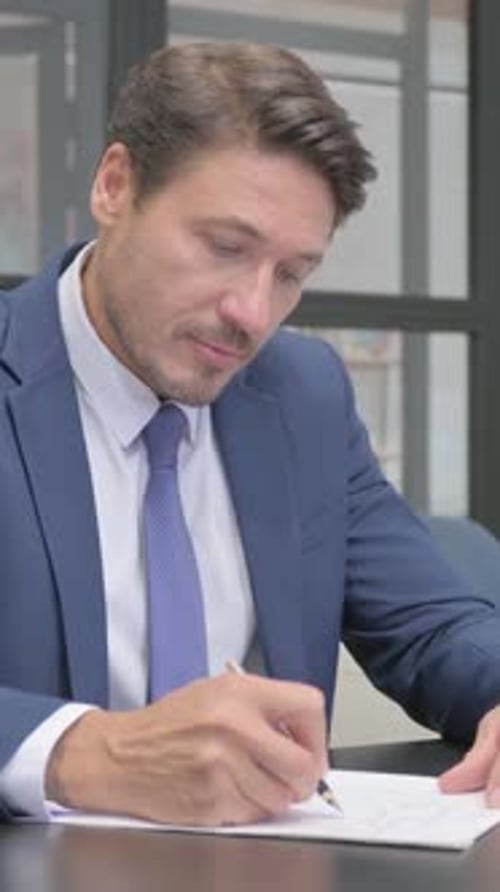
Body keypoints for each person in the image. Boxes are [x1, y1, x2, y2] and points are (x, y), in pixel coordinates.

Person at [0, 41, 499, 828]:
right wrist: (88, 752)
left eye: (291, 274)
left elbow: (434, 623)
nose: (252, 314)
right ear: (114, 185)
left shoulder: (303, 394)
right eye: (225, 248)